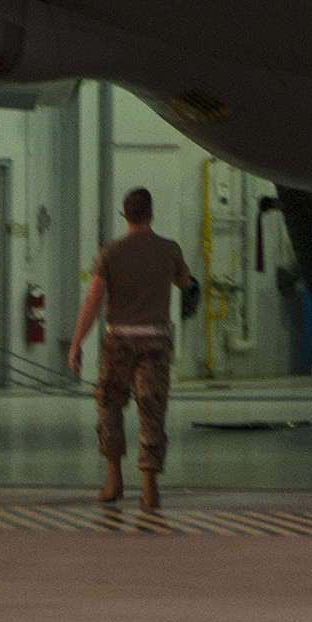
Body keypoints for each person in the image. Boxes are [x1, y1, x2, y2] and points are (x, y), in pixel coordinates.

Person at [59, 186, 193, 510]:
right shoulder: (170, 249)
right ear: (151, 214)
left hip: (117, 341)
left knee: (109, 405)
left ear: (125, 215)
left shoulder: (109, 253)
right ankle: (149, 488)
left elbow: (92, 301)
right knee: (152, 408)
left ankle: (113, 480)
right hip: (155, 341)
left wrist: (77, 342)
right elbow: (185, 281)